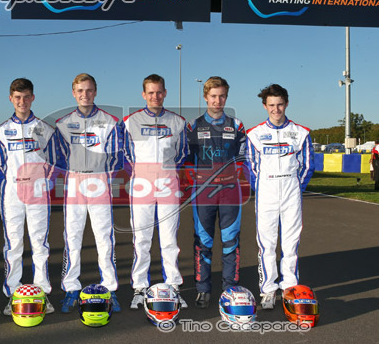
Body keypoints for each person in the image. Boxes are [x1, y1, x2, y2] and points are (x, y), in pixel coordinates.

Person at [54, 73, 123, 313]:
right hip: (74, 182)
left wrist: (104, 178)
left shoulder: (110, 121)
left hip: (99, 181)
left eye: (89, 90)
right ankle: (71, 287)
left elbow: (116, 156)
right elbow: (59, 157)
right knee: (72, 237)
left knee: (104, 238)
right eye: (80, 90)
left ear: (95, 92)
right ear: (74, 93)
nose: (85, 94)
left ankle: (110, 288)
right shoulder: (63, 123)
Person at [121, 74, 189, 310]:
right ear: (144, 94)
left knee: (169, 239)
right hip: (142, 184)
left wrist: (166, 171)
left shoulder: (178, 122)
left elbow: (182, 152)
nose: (155, 96)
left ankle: (173, 285)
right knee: (142, 238)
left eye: (159, 92)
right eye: (151, 92)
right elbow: (126, 153)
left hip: (168, 183)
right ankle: (140, 286)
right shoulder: (130, 121)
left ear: (165, 93)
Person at [245, 84, 314, 310]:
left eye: (280, 104)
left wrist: (296, 186)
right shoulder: (254, 134)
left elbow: (307, 165)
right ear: (265, 106)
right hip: (266, 191)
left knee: (291, 242)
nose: (276, 109)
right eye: (272, 105)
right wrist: (262, 187)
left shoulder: (301, 132)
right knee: (266, 243)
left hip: (291, 190)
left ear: (287, 103)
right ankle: (268, 289)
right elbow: (250, 166)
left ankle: (290, 287)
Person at [0, 78, 57, 315]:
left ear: (33, 98)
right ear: (11, 99)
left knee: (40, 243)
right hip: (12, 195)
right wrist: (11, 184)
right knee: (13, 244)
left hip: (38, 194)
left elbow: (55, 161)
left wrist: (44, 182)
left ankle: (42, 292)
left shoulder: (45, 129)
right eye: (18, 97)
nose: (22, 101)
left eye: (26, 96)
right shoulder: (0, 131)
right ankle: (13, 292)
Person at [186, 77, 246, 308]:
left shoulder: (237, 125)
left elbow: (243, 156)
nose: (217, 101)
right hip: (204, 192)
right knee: (203, 241)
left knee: (231, 241)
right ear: (205, 97)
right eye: (213, 96)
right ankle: (203, 289)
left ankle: (230, 288)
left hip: (230, 191)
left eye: (222, 96)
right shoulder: (193, 126)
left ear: (226, 97)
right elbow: (187, 159)